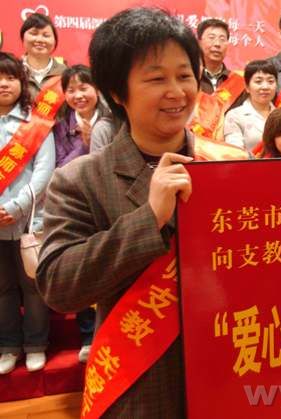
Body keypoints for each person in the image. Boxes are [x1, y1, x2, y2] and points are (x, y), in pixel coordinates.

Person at [36, 8, 201, 416]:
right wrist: (149, 219)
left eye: (184, 75)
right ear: (117, 92)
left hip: (229, 372)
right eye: (156, 79)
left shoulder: (229, 164)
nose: (177, 91)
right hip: (142, 384)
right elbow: (59, 285)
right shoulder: (80, 179)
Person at [0, 52, 55, 375]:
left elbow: (44, 172)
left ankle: (36, 345)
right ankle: (8, 346)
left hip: (29, 221)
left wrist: (15, 207)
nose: (3, 84)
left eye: (10, 77)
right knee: (2, 289)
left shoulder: (36, 124)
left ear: (22, 82)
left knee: (33, 287)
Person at [52, 64, 108, 361]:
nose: (78, 95)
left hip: (107, 201)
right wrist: (84, 145)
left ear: (96, 89)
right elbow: (60, 165)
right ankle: (88, 336)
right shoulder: (61, 124)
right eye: (71, 90)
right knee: (85, 266)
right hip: (77, 204)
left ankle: (107, 331)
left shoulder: (112, 119)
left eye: (84, 87)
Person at [223, 60, 277, 152]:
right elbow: (234, 152)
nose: (265, 87)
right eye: (258, 81)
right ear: (247, 87)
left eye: (270, 81)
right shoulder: (235, 115)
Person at [20, 13, 66, 98]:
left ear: (55, 41)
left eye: (46, 35)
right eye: (34, 34)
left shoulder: (65, 73)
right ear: (23, 37)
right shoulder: (13, 71)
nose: (40, 40)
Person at [196, 18, 230, 94]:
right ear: (199, 43)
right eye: (211, 38)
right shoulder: (192, 77)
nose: (217, 44)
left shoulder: (235, 80)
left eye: (222, 39)